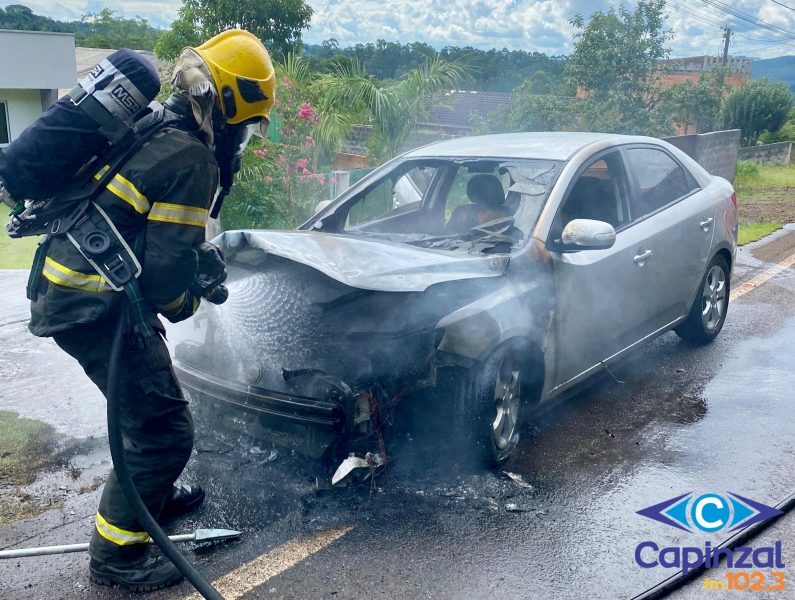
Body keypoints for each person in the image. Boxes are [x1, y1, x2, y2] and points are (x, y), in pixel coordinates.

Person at [26, 30, 275, 592]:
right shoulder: (193, 158)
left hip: (76, 286)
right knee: (161, 431)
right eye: (249, 125)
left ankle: (149, 501)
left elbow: (144, 227)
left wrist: (192, 262)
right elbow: (166, 283)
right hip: (93, 304)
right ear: (231, 108)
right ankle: (116, 559)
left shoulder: (154, 124)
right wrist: (193, 296)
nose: (245, 139)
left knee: (150, 412)